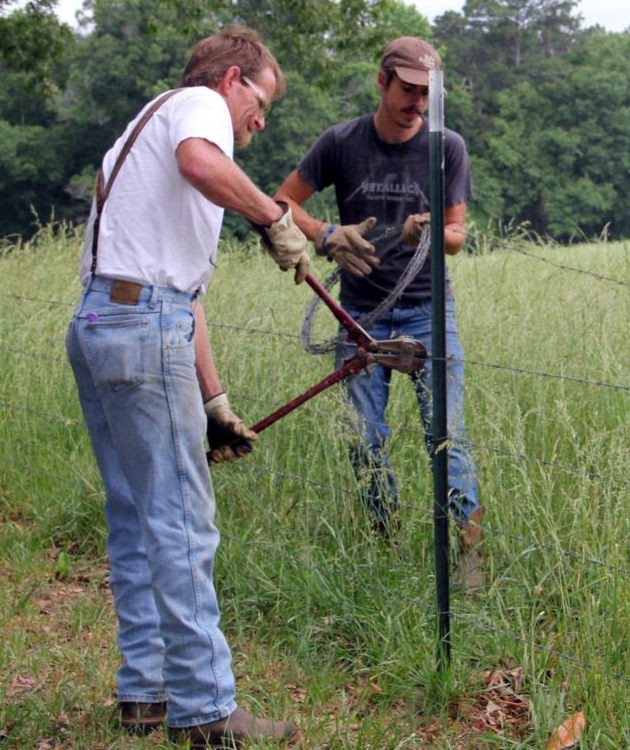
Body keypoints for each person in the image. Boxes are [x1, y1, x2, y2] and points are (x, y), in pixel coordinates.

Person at [65, 25, 308, 747]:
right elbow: (203, 162)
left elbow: (181, 290)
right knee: (182, 522)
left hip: (102, 320)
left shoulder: (137, 132)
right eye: (260, 101)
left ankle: (146, 690)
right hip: (142, 329)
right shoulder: (200, 109)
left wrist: (214, 403)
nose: (261, 121)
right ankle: (206, 711)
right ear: (232, 79)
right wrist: (274, 217)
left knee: (136, 512)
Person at [275, 36, 484, 590]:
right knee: (364, 437)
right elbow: (283, 203)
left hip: (427, 313)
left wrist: (428, 228)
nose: (417, 103)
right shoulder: (341, 142)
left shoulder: (447, 147)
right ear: (382, 82)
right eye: (408, 91)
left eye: (426, 94)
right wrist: (325, 233)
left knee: (447, 436)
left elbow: (460, 234)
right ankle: (383, 544)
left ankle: (468, 558)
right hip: (359, 316)